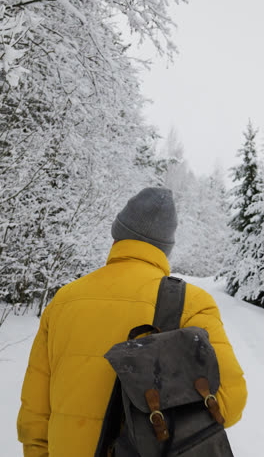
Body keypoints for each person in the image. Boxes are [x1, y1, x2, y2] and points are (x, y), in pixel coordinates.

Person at [17, 187, 247, 457]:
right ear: (165, 248)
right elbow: (229, 404)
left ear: (116, 237)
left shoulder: (63, 301)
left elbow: (34, 419)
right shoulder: (191, 302)